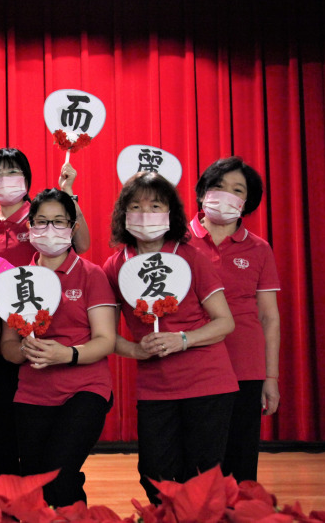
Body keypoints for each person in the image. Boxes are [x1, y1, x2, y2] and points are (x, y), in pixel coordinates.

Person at [101, 171, 236, 504]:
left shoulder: (191, 257)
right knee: (154, 472)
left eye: (155, 206)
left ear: (170, 213)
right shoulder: (115, 266)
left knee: (202, 476)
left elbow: (224, 322)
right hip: (155, 387)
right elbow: (105, 335)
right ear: (123, 214)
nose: (145, 215)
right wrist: (134, 350)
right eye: (136, 207)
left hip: (208, 382)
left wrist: (182, 340)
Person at [0, 147, 91, 484]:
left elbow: (82, 244)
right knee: (1, 438)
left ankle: (50, 502)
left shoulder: (41, 220)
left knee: (44, 447)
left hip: (46, 344)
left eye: (12, 172)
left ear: (27, 179)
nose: (3, 179)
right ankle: (5, 502)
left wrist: (69, 193)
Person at [0, 188, 116, 506]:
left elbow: (105, 340)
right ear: (30, 227)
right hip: (32, 393)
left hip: (85, 389)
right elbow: (8, 346)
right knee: (36, 486)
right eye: (41, 221)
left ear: (72, 227)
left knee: (60, 475)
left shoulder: (91, 275)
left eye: (59, 222)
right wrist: (25, 351)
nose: (49, 229)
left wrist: (68, 354)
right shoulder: (17, 280)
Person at [190, 157, 280, 482]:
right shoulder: (176, 242)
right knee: (196, 464)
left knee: (239, 463)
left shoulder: (259, 249)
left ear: (247, 202)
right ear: (203, 192)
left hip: (244, 365)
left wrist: (271, 377)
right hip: (192, 365)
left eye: (237, 189)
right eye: (218, 186)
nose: (226, 194)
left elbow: (269, 317)